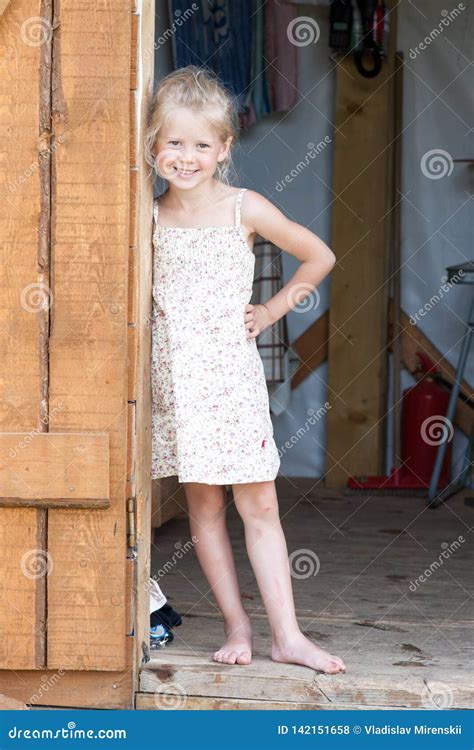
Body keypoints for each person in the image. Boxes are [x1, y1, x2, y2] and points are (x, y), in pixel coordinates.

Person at [144, 65, 345, 675]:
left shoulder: (243, 208)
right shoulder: (146, 218)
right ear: (153, 146)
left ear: (225, 148)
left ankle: (288, 634)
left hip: (231, 382)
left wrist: (272, 308)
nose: (186, 156)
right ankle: (238, 625)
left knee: (257, 505)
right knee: (203, 510)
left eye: (201, 144)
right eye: (174, 143)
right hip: (176, 386)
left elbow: (320, 255)